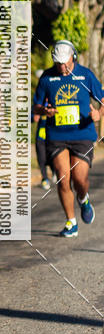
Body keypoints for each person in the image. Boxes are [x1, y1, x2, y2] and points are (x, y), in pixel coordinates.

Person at [33, 39, 102, 237]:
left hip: (83, 134)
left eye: (66, 62)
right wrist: (44, 110)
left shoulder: (85, 75)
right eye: (58, 63)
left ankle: (83, 198)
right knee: (63, 178)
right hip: (57, 136)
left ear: (74, 57)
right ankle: (71, 222)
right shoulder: (47, 78)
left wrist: (98, 114)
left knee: (80, 179)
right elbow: (36, 106)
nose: (62, 67)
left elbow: (102, 99)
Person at [33, 70, 53, 190]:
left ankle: (55, 172)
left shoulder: (54, 100)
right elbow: (32, 114)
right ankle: (44, 178)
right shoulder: (38, 102)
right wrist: (34, 116)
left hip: (53, 134)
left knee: (52, 157)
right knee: (41, 158)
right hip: (41, 135)